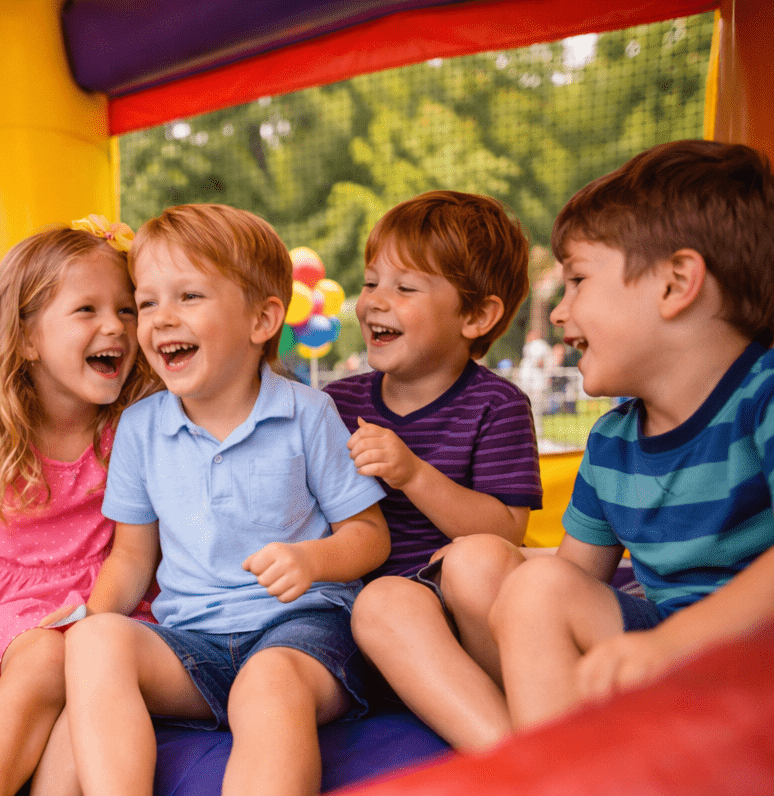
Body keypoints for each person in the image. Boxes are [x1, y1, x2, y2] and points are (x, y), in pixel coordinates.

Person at [64, 204, 390, 796]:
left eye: (188, 296)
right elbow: (132, 556)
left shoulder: (306, 414)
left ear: (262, 320)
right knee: (93, 641)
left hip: (302, 633)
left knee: (267, 684)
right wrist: (94, 624)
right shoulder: (142, 427)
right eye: (146, 302)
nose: (159, 320)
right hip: (195, 647)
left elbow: (369, 534)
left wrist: (313, 559)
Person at [486, 139, 774, 729]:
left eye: (578, 282)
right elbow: (568, 581)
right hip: (666, 655)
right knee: (535, 589)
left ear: (675, 284)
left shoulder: (763, 394)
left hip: (754, 655)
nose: (561, 313)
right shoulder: (613, 443)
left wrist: (674, 645)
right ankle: (561, 788)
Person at [0, 221, 159, 796]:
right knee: (45, 661)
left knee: (92, 677)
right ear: (27, 338)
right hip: (19, 600)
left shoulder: (133, 426)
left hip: (113, 595)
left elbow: (138, 548)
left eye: (125, 309)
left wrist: (97, 612)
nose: (115, 327)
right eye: (86, 310)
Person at [329, 191, 542, 751]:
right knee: (384, 601)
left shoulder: (496, 405)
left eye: (404, 288)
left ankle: (525, 727)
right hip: (379, 622)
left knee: (476, 559)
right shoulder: (336, 402)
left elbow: (504, 529)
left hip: (466, 618)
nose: (375, 301)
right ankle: (508, 750)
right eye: (372, 282)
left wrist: (413, 473)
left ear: (477, 315)